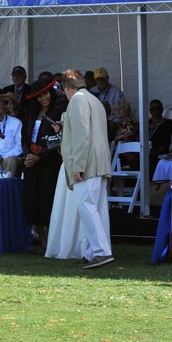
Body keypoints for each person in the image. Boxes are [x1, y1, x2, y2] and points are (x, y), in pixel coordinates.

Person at [59, 69, 113, 269]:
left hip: (88, 162)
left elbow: (83, 135)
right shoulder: (93, 99)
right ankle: (92, 251)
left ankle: (101, 251)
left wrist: (78, 166)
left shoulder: (77, 100)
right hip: (99, 161)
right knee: (95, 207)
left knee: (86, 206)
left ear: (67, 87)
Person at [20, 79, 63, 253]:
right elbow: (24, 137)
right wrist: (28, 156)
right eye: (39, 96)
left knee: (48, 201)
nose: (43, 98)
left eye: (45, 94)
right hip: (31, 162)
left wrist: (40, 155)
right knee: (33, 201)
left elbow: (58, 141)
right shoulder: (31, 113)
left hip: (49, 162)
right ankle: (43, 242)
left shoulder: (58, 111)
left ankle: (52, 243)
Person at [148, 99, 172, 172]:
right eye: (152, 108)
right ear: (150, 111)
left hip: (159, 152)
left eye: (158, 108)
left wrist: (154, 152)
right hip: (146, 151)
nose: (155, 110)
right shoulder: (146, 123)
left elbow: (167, 142)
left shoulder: (168, 124)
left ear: (162, 110)